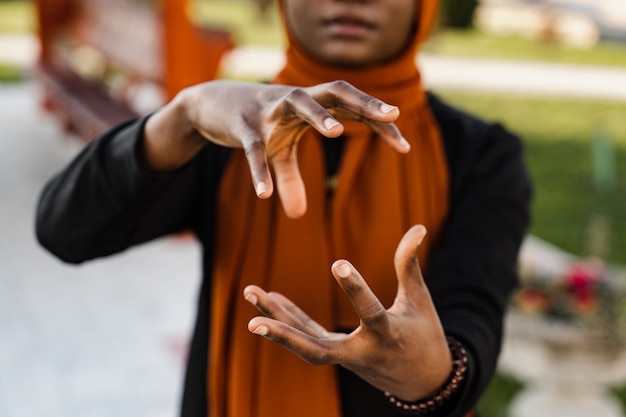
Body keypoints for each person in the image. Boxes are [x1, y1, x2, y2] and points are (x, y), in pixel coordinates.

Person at [35, 0, 532, 416]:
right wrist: (182, 118)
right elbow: (67, 231)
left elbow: (475, 311)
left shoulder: (479, 153)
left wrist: (435, 373)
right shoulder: (228, 130)